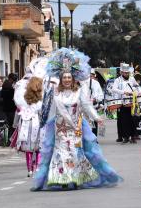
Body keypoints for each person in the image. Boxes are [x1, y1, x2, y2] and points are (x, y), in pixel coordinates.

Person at [33, 48, 121, 191]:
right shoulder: (56, 92)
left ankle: (75, 177)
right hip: (60, 127)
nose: (67, 80)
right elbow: (53, 110)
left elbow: (86, 105)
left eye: (69, 77)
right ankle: (62, 178)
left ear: (73, 79)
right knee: (60, 152)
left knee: (75, 151)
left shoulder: (79, 91)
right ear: (61, 79)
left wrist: (97, 118)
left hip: (77, 126)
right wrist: (44, 124)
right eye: (64, 78)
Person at [15, 76, 43, 177]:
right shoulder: (40, 100)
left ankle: (29, 169)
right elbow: (42, 112)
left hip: (25, 124)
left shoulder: (22, 99)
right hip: (37, 123)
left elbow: (17, 107)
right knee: (38, 146)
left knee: (28, 148)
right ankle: (37, 166)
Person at [111, 63, 141, 143]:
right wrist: (124, 92)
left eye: (127, 72)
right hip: (122, 103)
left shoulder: (132, 79)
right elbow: (114, 89)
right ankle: (125, 137)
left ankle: (133, 136)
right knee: (124, 120)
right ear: (121, 72)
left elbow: (137, 86)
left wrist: (140, 92)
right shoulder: (117, 80)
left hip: (132, 102)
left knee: (133, 119)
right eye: (125, 72)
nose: (126, 74)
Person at [83, 69, 104, 136]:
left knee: (94, 122)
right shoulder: (82, 83)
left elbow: (101, 95)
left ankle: (94, 138)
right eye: (89, 76)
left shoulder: (96, 83)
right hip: (84, 107)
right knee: (85, 123)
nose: (90, 77)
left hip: (94, 106)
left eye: (92, 76)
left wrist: (96, 99)